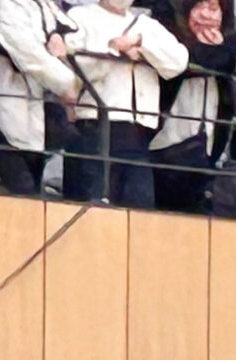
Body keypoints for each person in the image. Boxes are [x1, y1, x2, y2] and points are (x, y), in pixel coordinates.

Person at [59, 0, 188, 209]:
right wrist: (114, 48)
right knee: (91, 206)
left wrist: (141, 43)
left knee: (139, 211)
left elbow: (178, 62)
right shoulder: (79, 16)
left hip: (138, 132)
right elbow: (73, 68)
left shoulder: (147, 24)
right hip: (94, 126)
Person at [150, 0, 236, 212]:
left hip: (206, 158)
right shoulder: (167, 38)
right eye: (199, 7)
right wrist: (228, 56)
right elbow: (186, 59)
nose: (206, 15)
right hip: (163, 154)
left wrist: (225, 52)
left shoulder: (231, 43)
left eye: (213, 8)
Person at [0, 0, 79, 194]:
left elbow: (70, 27)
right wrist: (66, 83)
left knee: (34, 185)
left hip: (39, 108)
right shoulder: (3, 4)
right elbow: (25, 49)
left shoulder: (47, 4)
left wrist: (57, 35)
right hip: (4, 95)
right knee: (24, 188)